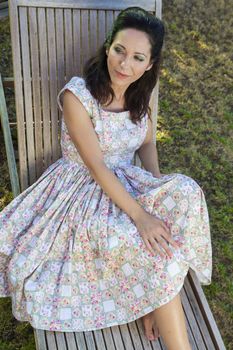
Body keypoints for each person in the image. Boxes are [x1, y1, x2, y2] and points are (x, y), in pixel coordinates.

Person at [0, 6, 212, 350]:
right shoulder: (77, 96)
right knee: (146, 243)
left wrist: (156, 185)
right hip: (81, 191)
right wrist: (141, 215)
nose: (124, 65)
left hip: (127, 182)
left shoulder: (140, 94)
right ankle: (162, 314)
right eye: (119, 50)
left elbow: (145, 140)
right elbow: (97, 167)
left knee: (186, 192)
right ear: (107, 46)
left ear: (150, 65)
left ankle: (151, 297)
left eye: (137, 58)